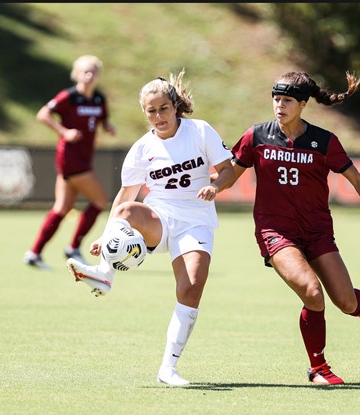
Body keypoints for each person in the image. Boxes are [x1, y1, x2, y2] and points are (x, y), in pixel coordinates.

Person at [212, 70, 360, 385]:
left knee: (346, 302)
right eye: (276, 99)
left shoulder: (324, 142)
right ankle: (318, 369)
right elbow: (232, 174)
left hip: (318, 232)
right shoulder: (256, 136)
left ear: (303, 104)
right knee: (312, 292)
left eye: (287, 101)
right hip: (276, 233)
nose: (279, 106)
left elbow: (357, 179)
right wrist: (213, 187)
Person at [66, 70, 235, 387]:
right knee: (128, 209)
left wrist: (216, 188)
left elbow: (227, 170)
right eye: (151, 111)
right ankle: (104, 276)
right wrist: (106, 236)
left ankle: (168, 368)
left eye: (163, 109)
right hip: (160, 217)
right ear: (145, 114)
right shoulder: (142, 148)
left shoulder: (199, 131)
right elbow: (125, 196)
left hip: (196, 219)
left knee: (191, 287)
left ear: (175, 106)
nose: (159, 116)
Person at [23, 55, 116, 270]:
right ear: (76, 74)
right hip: (71, 159)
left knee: (62, 208)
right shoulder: (69, 96)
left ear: (98, 75)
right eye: (85, 71)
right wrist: (64, 131)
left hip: (83, 159)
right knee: (100, 201)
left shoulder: (99, 99)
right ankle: (73, 248)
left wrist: (107, 127)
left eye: (93, 71)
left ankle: (34, 253)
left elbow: (101, 120)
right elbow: (43, 114)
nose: (89, 75)